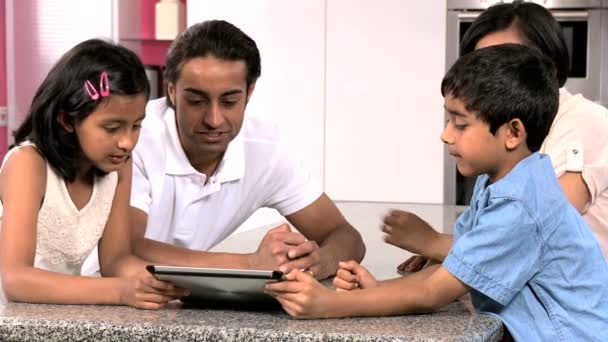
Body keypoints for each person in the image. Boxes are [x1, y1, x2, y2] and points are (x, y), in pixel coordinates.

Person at [265, 44, 608, 340]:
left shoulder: (521, 203)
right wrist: (380, 291)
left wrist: (329, 304)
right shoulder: (498, 184)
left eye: (460, 124)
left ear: (512, 132)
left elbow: (434, 291)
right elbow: (453, 270)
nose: (446, 135)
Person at [81, 20, 365, 280]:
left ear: (249, 92)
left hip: (170, 300)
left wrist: (319, 261)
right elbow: (125, 249)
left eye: (229, 101)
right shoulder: (135, 138)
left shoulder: (266, 149)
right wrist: (250, 265)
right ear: (170, 90)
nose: (213, 119)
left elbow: (346, 236)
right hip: (87, 294)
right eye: (196, 101)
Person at [401, 0, 608, 273]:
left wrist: (438, 243)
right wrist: (454, 250)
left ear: (549, 66)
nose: (494, 78)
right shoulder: (500, 143)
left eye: (508, 61)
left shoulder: (586, 121)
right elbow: (490, 232)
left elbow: (531, 230)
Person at [0, 39, 189, 309]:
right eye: (112, 128)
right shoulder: (28, 164)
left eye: (136, 126)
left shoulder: (118, 166)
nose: (127, 142)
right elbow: (16, 279)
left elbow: (116, 261)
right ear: (67, 120)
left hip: (54, 318)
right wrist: (121, 292)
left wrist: (173, 283)